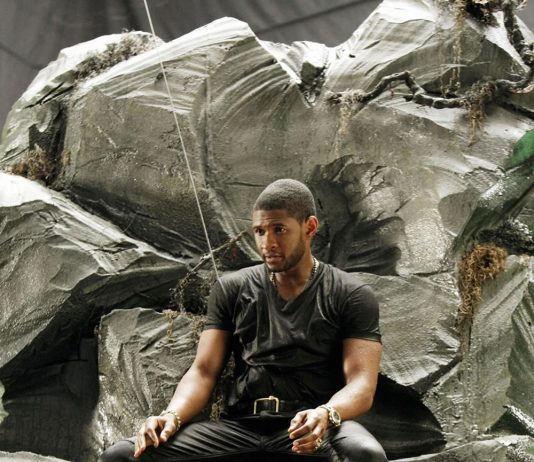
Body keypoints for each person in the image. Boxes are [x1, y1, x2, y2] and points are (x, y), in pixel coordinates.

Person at [100, 179, 387, 462]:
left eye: (279, 230)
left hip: (312, 427)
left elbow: (362, 385)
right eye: (260, 231)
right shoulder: (232, 288)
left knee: (366, 454)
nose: (267, 243)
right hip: (239, 428)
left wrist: (327, 414)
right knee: (123, 455)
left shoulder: (350, 294)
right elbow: (203, 371)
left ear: (309, 227)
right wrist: (171, 416)